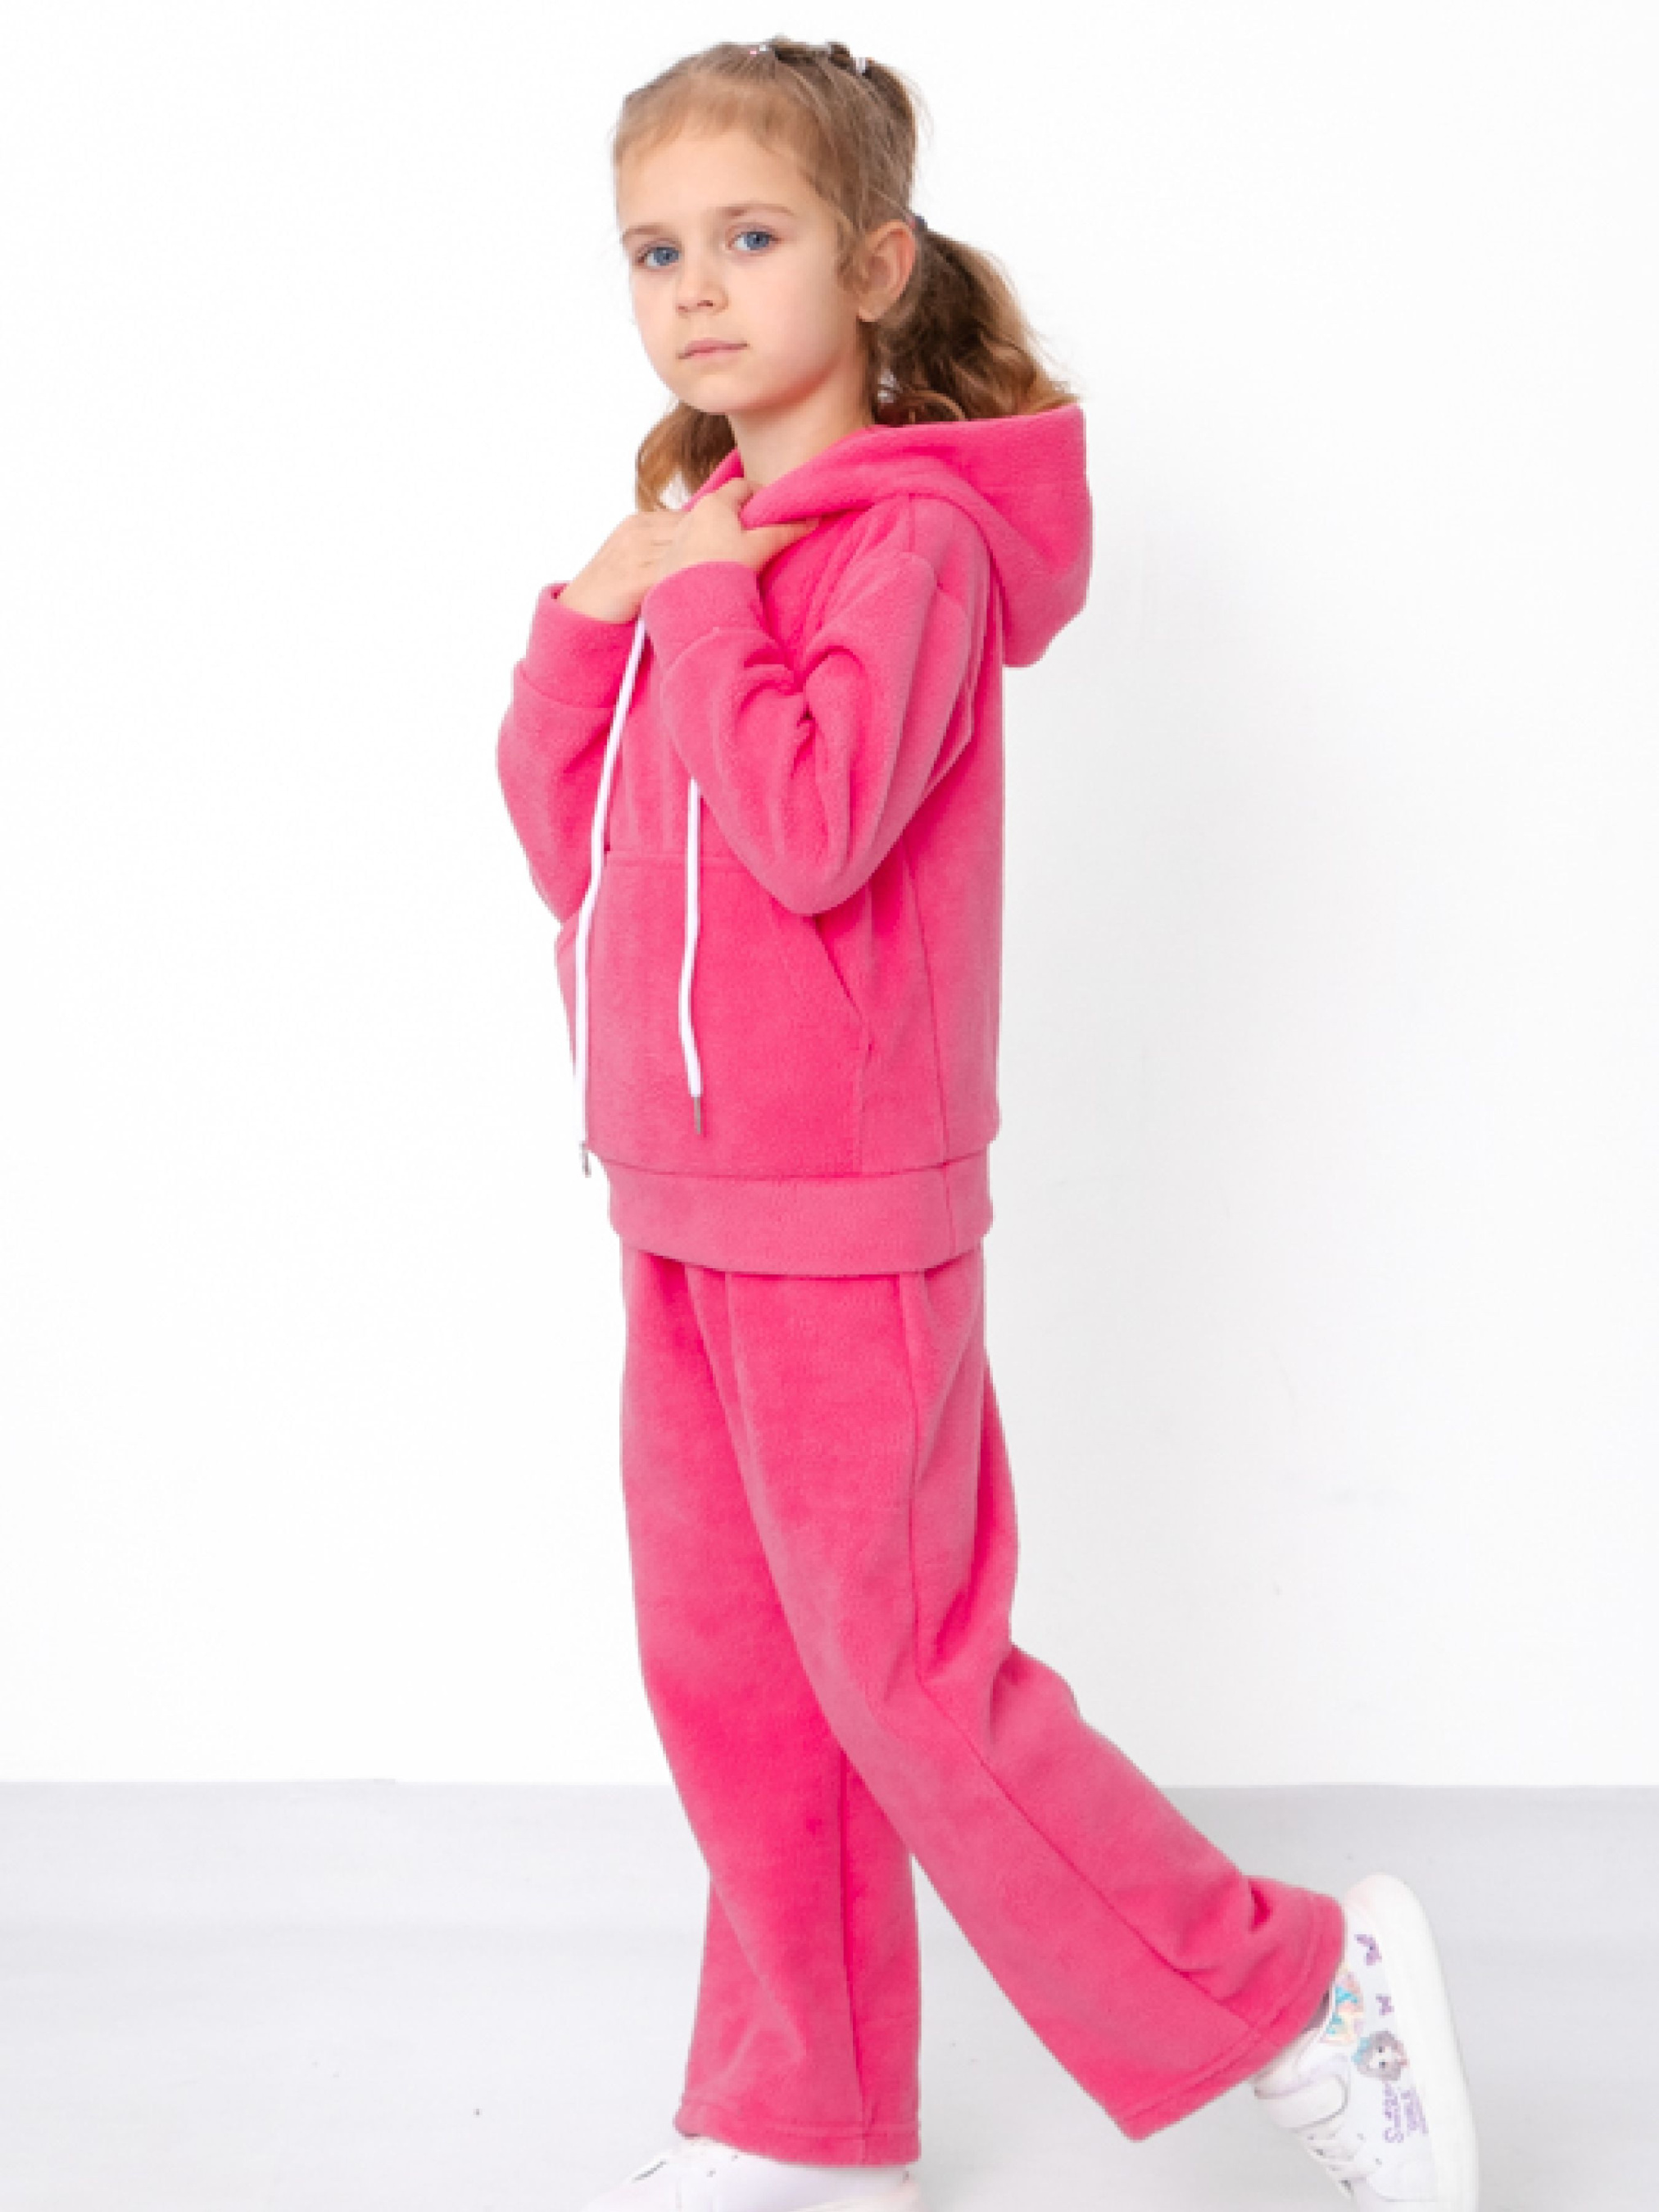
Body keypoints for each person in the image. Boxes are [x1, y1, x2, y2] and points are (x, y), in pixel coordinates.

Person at [495, 34, 1481, 2212]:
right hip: (677, 1190)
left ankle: (1297, 1989)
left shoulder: (909, 548)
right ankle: (803, 2119)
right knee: (743, 1685)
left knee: (912, 1681)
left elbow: (811, 824)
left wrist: (703, 594)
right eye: (653, 250)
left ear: (873, 264)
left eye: (748, 237)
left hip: (846, 1206)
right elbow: (577, 845)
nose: (693, 288)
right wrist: (596, 616)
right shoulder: (708, 544)